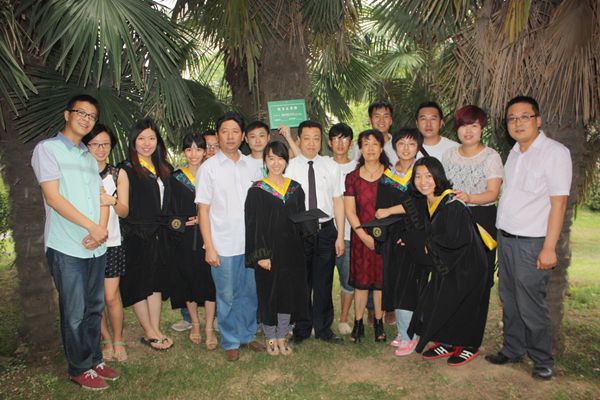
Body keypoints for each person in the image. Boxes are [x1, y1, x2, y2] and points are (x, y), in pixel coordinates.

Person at [32, 94, 118, 390]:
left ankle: (95, 360)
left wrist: (100, 231)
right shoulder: (48, 149)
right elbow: (53, 198)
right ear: (67, 115)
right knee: (74, 312)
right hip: (66, 246)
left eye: (91, 116)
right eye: (81, 113)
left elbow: (101, 198)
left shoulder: (88, 156)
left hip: (95, 247)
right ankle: (79, 368)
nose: (86, 119)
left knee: (94, 308)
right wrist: (92, 227)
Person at [486, 96, 572, 380]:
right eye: (512, 118)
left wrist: (549, 248)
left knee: (530, 303)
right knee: (509, 298)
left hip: (532, 242)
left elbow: (559, 203)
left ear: (538, 120)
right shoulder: (514, 153)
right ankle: (513, 349)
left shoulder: (554, 153)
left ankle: (542, 359)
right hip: (506, 238)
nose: (518, 123)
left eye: (524, 116)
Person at [196, 112, 264, 361]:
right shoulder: (208, 168)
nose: (230, 136)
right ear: (218, 135)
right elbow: (203, 210)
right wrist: (209, 246)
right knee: (226, 295)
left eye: (235, 131)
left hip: (251, 244)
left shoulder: (253, 166)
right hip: (223, 244)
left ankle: (247, 334)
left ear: (243, 136)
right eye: (224, 131)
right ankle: (230, 340)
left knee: (249, 292)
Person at [408, 157, 489, 366]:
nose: (423, 181)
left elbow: (455, 239)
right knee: (445, 302)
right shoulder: (429, 200)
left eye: (428, 176)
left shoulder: (451, 203)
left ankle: (469, 346)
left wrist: (430, 245)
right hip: (449, 263)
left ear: (438, 177)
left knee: (465, 304)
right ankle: (448, 342)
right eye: (418, 176)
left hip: (468, 264)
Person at [442, 105, 503, 339]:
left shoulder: (491, 157)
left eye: (474, 126)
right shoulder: (449, 155)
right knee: (452, 279)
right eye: (463, 125)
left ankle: (469, 341)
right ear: (457, 128)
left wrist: (469, 198)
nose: (468, 131)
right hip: (452, 220)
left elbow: (493, 193)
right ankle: (449, 338)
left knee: (478, 282)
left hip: (481, 221)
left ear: (482, 128)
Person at [245, 141, 309, 356]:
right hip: (268, 254)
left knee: (287, 294)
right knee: (269, 295)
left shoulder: (295, 189)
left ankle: (282, 335)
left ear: (286, 161)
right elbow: (253, 226)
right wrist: (261, 255)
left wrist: (310, 225)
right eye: (271, 158)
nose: (276, 163)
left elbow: (300, 220)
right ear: (265, 161)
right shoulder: (257, 190)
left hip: (291, 252)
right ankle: (270, 336)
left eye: (280, 158)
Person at [286, 120, 345, 344]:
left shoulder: (331, 166)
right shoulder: (289, 167)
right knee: (302, 283)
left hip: (326, 231)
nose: (311, 143)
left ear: (322, 141)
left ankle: (323, 329)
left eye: (316, 138)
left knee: (324, 282)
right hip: (300, 232)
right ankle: (301, 329)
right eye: (307, 138)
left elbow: (338, 201)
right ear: (299, 140)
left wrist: (340, 235)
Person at [119, 118, 174, 351]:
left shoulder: (164, 168)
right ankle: (148, 331)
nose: (147, 143)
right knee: (139, 283)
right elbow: (123, 207)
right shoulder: (126, 169)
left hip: (160, 234)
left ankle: (156, 327)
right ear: (133, 142)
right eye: (141, 138)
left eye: (151, 138)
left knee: (156, 283)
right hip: (137, 235)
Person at [374, 128, 430, 356]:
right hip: (392, 238)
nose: (406, 149)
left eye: (412, 144)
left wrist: (389, 211)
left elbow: (421, 204)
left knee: (409, 286)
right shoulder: (388, 175)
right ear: (394, 146)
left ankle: (410, 336)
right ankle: (403, 330)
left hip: (414, 237)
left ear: (418, 147)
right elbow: (380, 207)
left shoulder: (422, 173)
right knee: (396, 284)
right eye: (401, 144)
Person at [83, 124, 130, 363]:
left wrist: (111, 201)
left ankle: (118, 338)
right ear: (86, 146)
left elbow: (124, 211)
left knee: (111, 296)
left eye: (105, 144)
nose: (100, 149)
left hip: (112, 242)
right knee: (95, 297)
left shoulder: (118, 174)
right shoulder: (79, 174)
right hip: (85, 243)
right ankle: (106, 339)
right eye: (95, 144)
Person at [169, 134, 218, 350]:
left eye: (199, 149)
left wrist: (207, 217)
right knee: (187, 280)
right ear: (183, 152)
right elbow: (168, 212)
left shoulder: (213, 174)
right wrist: (182, 222)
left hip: (211, 236)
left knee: (210, 282)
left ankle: (209, 327)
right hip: (185, 238)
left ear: (205, 151)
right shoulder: (175, 178)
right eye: (189, 149)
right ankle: (195, 323)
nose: (194, 154)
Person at [344, 130, 389, 343]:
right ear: (360, 148)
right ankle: (358, 323)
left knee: (380, 283)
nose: (370, 148)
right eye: (366, 144)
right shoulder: (352, 177)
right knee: (361, 284)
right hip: (360, 238)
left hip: (384, 238)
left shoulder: (391, 175)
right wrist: (364, 236)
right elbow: (350, 211)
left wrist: (378, 239)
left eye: (375, 143)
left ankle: (379, 323)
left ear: (381, 147)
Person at [327, 123, 357, 335]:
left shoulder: (358, 167)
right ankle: (321, 318)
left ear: (351, 143)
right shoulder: (322, 164)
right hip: (325, 233)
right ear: (329, 143)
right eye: (336, 138)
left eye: (344, 138)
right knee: (322, 280)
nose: (340, 143)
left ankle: (344, 319)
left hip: (349, 234)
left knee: (348, 280)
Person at [351, 101, 398, 165]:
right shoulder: (359, 145)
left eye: (386, 116)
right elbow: (354, 167)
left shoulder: (399, 145)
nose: (381, 120)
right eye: (377, 116)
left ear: (391, 121)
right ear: (370, 120)